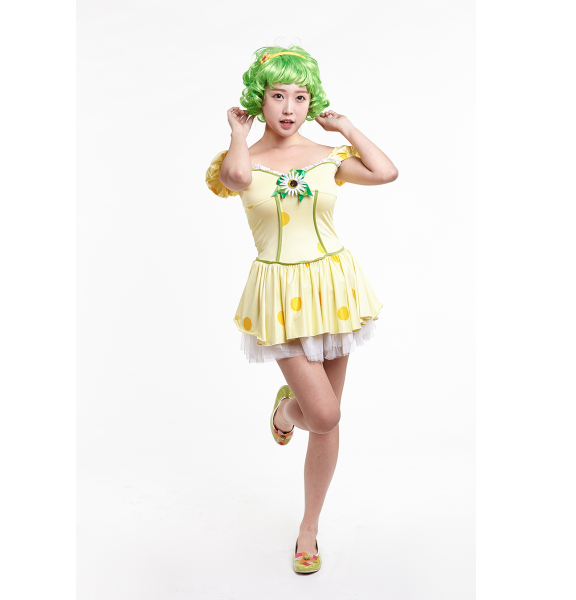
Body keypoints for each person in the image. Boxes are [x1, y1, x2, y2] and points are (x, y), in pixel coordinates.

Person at [205, 45, 398, 574]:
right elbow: (237, 180)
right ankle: (284, 412)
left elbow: (385, 173)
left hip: (334, 287)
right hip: (279, 295)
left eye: (300, 96)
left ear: (311, 102)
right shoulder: (241, 161)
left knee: (328, 422)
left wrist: (347, 128)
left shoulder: (327, 156)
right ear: (259, 100)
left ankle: (309, 527)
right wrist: (237, 135)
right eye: (277, 95)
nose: (289, 107)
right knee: (324, 414)